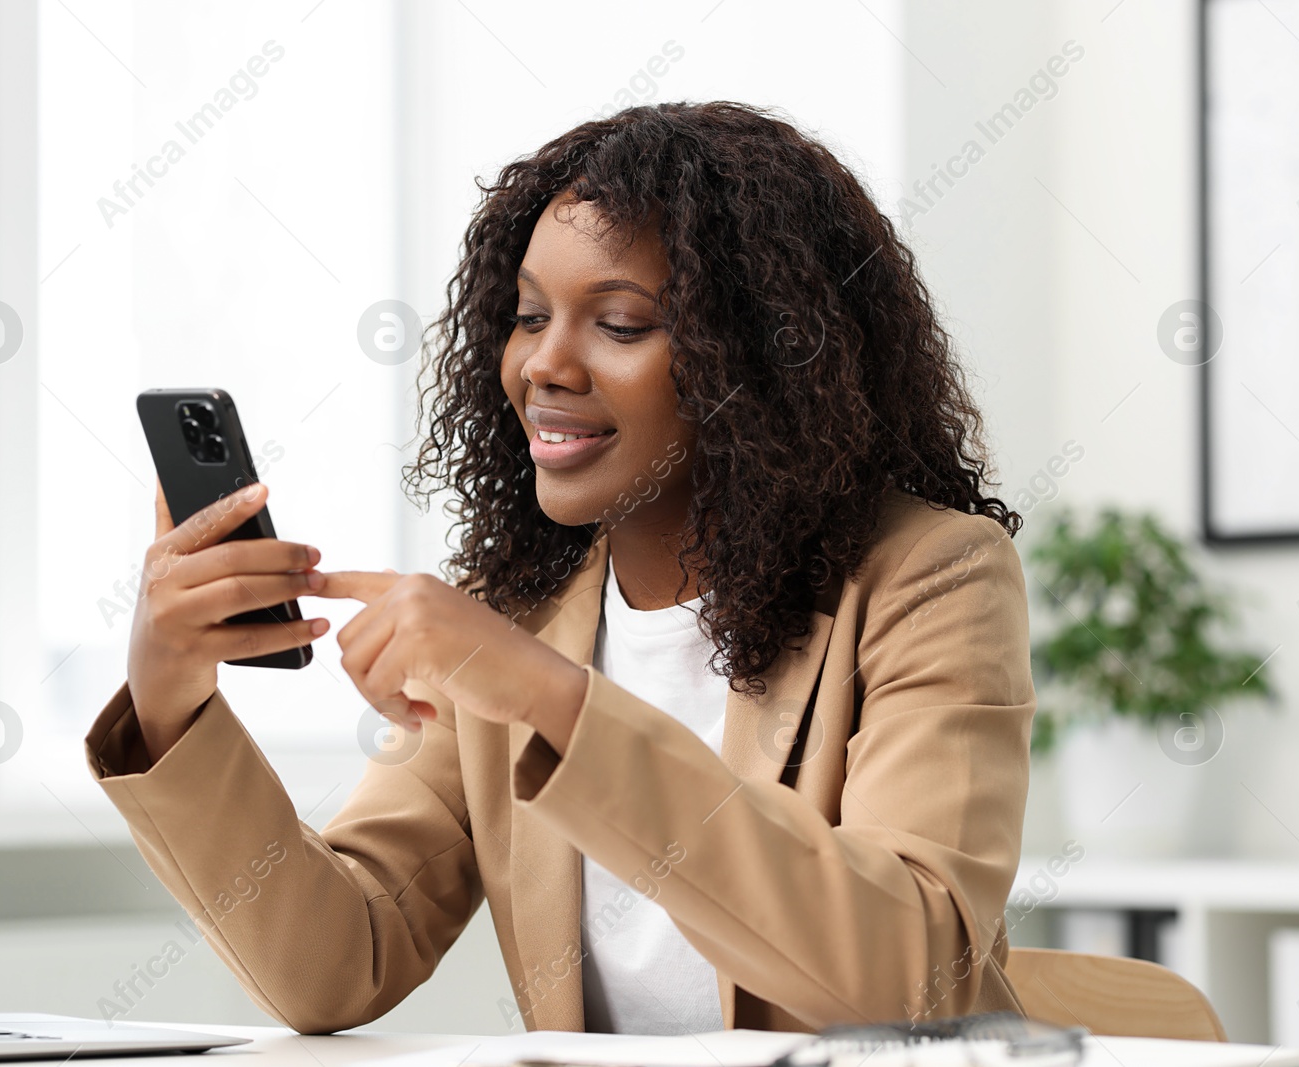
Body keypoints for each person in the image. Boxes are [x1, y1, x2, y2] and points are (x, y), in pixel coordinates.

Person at [85, 100, 1035, 1036]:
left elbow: (914, 977)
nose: (544, 363)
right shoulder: (528, 614)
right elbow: (338, 960)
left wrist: (555, 700)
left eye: (620, 324)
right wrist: (169, 704)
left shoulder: (931, 578)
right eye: (529, 314)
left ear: (766, 360)